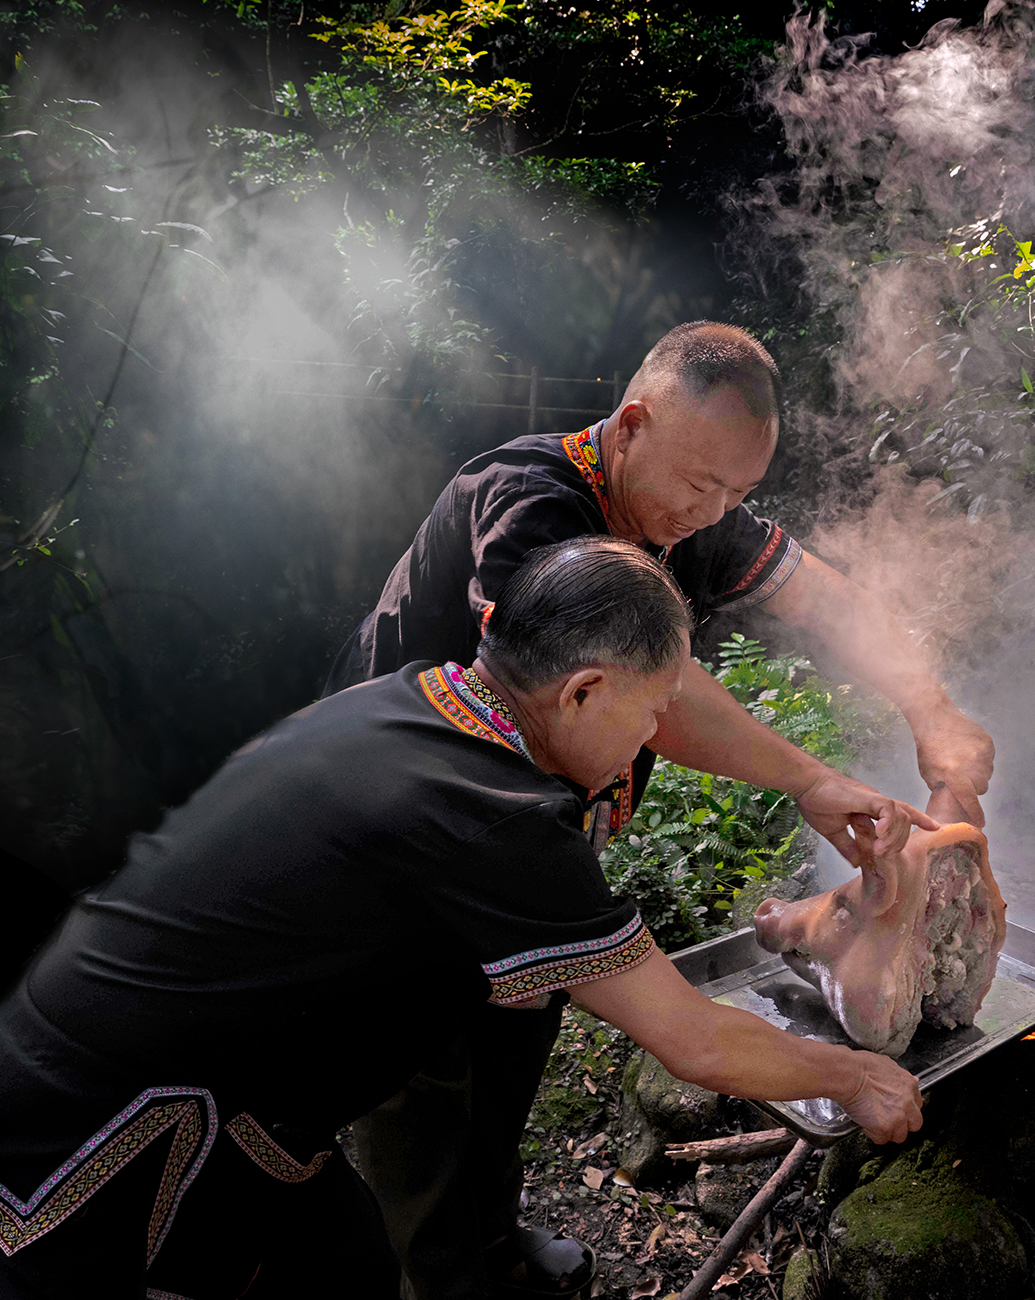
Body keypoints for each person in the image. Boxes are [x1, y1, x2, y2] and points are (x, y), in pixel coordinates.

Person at [0, 537, 925, 1299]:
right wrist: (858, 1075)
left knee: (349, 1268)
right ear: (580, 690)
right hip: (93, 1139)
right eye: (652, 708)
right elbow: (697, 1038)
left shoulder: (419, 702)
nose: (657, 735)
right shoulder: (492, 816)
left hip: (166, 1100)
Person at [328, 321, 993, 1299]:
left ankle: (498, 1243)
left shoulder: (690, 506)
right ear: (630, 425)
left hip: (532, 825)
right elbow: (645, 691)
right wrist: (811, 779)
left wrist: (931, 705)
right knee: (426, 1069)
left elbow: (832, 602)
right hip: (402, 825)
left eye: (736, 492)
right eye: (699, 484)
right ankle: (437, 1274)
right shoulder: (528, 505)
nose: (710, 511)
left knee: (518, 1034)